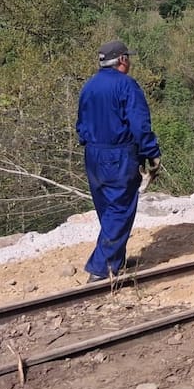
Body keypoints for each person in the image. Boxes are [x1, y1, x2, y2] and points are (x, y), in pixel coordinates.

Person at [76, 40, 161, 282]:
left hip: (93, 154)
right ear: (122, 60)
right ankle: (100, 268)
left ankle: (115, 258)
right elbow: (139, 124)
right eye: (128, 58)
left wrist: (90, 143)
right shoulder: (127, 86)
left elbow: (80, 124)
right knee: (120, 209)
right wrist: (151, 152)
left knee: (107, 207)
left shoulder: (89, 86)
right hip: (119, 154)